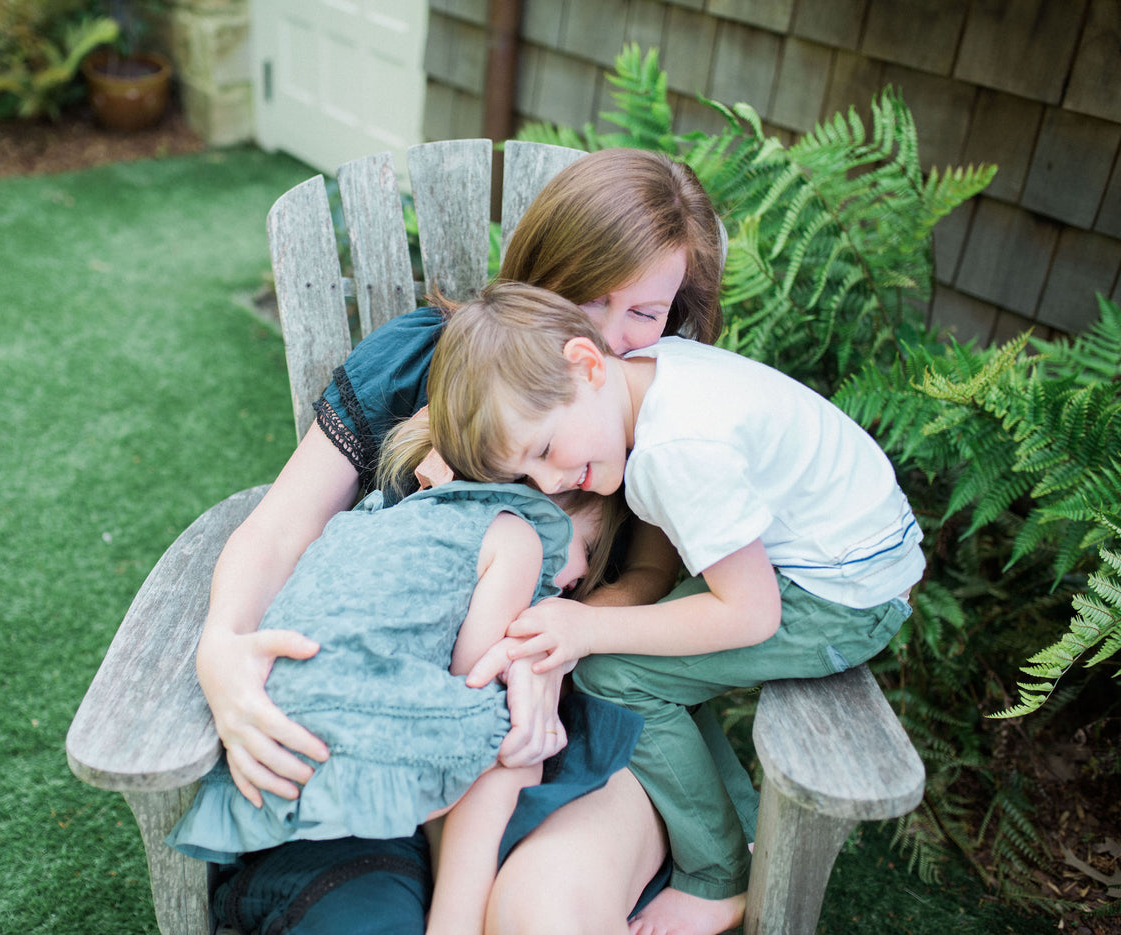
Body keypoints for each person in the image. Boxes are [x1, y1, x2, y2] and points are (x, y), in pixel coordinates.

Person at [192, 148, 729, 934]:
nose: (608, 339)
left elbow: (652, 572)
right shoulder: (424, 359)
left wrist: (558, 641)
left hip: (578, 723)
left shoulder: (662, 411)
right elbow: (281, 524)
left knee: (546, 917)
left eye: (644, 313)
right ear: (539, 270)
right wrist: (220, 643)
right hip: (382, 714)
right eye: (586, 295)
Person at [423, 281, 925, 935]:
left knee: (616, 672)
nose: (549, 484)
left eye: (545, 450)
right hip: (844, 554)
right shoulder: (655, 374)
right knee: (638, 661)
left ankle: (718, 874)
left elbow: (751, 616)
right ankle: (736, 827)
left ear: (587, 363)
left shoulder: (674, 452)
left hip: (843, 593)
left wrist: (589, 624)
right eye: (529, 474)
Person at [168, 474, 625, 935]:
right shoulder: (519, 538)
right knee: (516, 742)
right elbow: (473, 687)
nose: (575, 584)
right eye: (586, 549)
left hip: (268, 770)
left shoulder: (374, 517)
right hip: (346, 771)